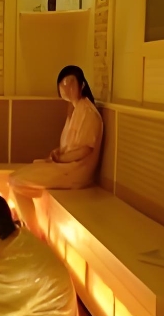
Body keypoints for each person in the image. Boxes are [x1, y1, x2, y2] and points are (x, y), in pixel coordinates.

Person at [8, 65, 103, 233]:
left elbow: (85, 150)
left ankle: (33, 232)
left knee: (16, 181)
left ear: (82, 85)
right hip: (66, 165)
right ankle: (29, 228)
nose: (67, 88)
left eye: (71, 83)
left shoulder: (89, 113)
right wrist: (57, 153)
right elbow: (70, 145)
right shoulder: (75, 110)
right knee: (17, 176)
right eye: (63, 84)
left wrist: (59, 158)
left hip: (75, 171)